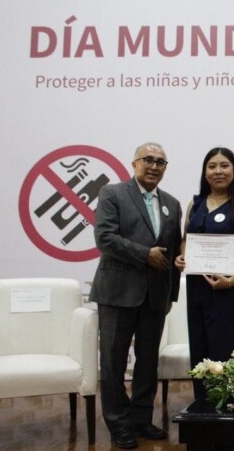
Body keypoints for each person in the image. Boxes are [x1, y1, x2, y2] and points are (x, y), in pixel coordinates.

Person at [90, 143, 182, 450]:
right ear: (134, 163)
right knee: (113, 362)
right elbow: (105, 238)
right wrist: (145, 254)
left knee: (147, 362)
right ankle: (119, 423)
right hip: (117, 293)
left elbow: (173, 250)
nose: (154, 166)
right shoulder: (112, 193)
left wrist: (171, 295)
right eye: (148, 160)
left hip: (155, 296)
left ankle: (142, 418)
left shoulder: (172, 204)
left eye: (161, 162)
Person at [174, 147, 234, 400]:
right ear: (205, 173)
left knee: (227, 351)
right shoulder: (195, 204)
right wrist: (182, 256)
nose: (218, 171)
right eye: (212, 166)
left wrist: (232, 279)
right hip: (198, 290)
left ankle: (229, 408)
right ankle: (202, 407)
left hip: (230, 291)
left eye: (224, 165)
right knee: (200, 349)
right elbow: (186, 239)